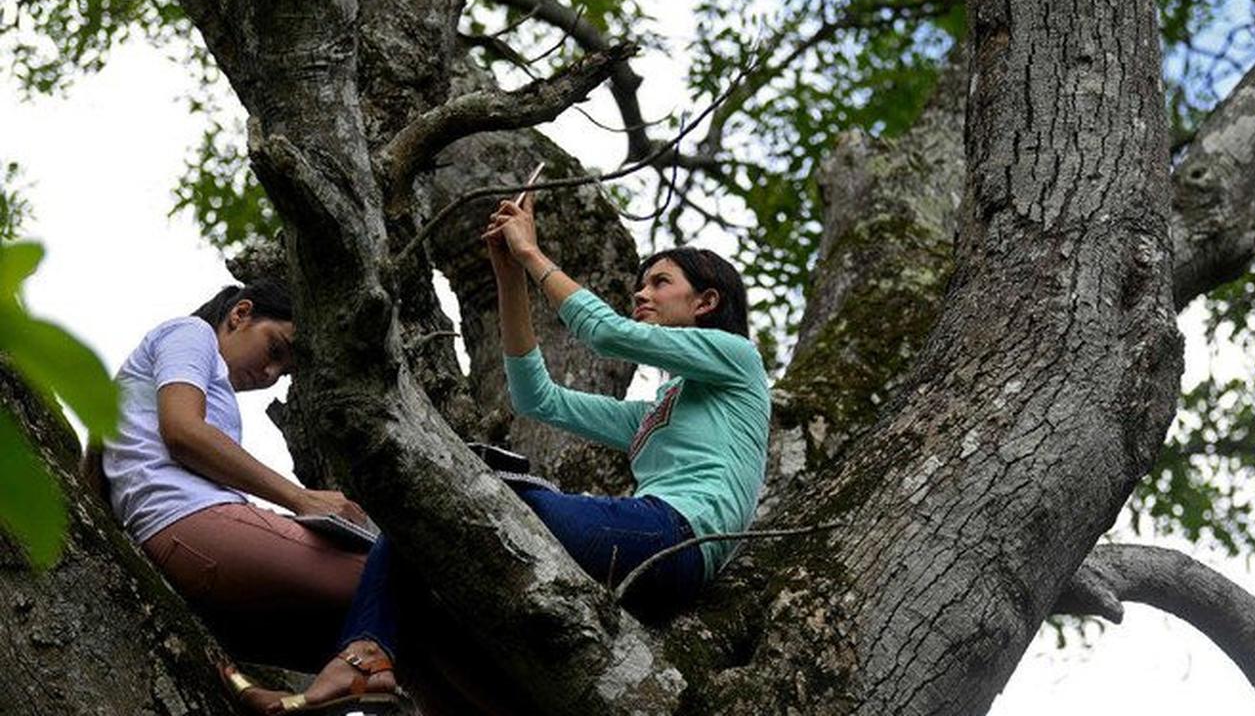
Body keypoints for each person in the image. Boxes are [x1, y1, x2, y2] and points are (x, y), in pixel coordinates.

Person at [257, 191, 771, 714]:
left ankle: (362, 659)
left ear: (706, 302)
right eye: (640, 284)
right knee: (430, 527)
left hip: (674, 537)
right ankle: (367, 659)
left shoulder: (739, 359)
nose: (641, 294)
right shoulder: (660, 409)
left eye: (660, 283)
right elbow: (537, 398)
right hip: (652, 562)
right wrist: (509, 276)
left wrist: (531, 252)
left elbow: (606, 334)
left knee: (449, 497)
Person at [101, 280, 371, 684]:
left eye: (284, 373)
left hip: (182, 555)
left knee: (397, 639)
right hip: (191, 524)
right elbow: (182, 432)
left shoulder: (146, 388)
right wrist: (300, 498)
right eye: (275, 350)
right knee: (402, 579)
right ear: (240, 314)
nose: (269, 373)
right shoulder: (190, 333)